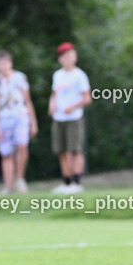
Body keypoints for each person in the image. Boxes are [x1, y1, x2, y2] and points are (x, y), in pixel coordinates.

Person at [0, 50, 37, 194]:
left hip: (20, 116)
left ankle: (20, 178)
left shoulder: (20, 78)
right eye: (0, 63)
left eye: (6, 62)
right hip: (3, 119)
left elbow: (27, 101)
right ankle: (8, 186)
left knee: (21, 145)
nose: (4, 65)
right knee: (6, 153)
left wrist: (33, 122)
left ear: (11, 63)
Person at [48, 42, 91, 194]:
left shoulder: (79, 75)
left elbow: (87, 98)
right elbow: (54, 94)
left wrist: (72, 107)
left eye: (71, 55)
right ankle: (66, 183)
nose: (68, 58)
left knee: (75, 150)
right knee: (62, 150)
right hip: (59, 118)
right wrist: (52, 105)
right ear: (60, 58)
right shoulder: (57, 75)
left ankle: (77, 182)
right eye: (65, 55)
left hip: (74, 118)